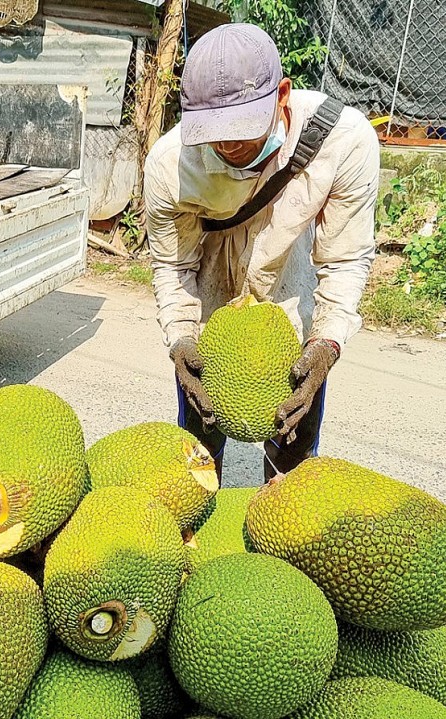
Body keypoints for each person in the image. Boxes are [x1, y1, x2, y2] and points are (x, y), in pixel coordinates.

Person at [144, 23, 380, 481]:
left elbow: (345, 259)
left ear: (283, 96)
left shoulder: (344, 140)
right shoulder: (170, 165)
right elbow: (174, 264)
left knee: (292, 466)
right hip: (212, 306)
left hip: (291, 295)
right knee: (197, 456)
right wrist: (180, 339)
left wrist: (326, 344)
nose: (229, 145)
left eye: (242, 129)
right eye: (213, 131)